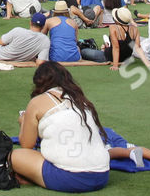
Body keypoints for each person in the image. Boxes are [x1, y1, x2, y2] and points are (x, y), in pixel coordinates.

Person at [11, 62, 111, 192]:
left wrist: (23, 121)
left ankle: (32, 177)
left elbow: (26, 145)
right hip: (102, 175)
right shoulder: (81, 100)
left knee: (15, 155)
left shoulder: (36, 102)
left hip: (69, 177)